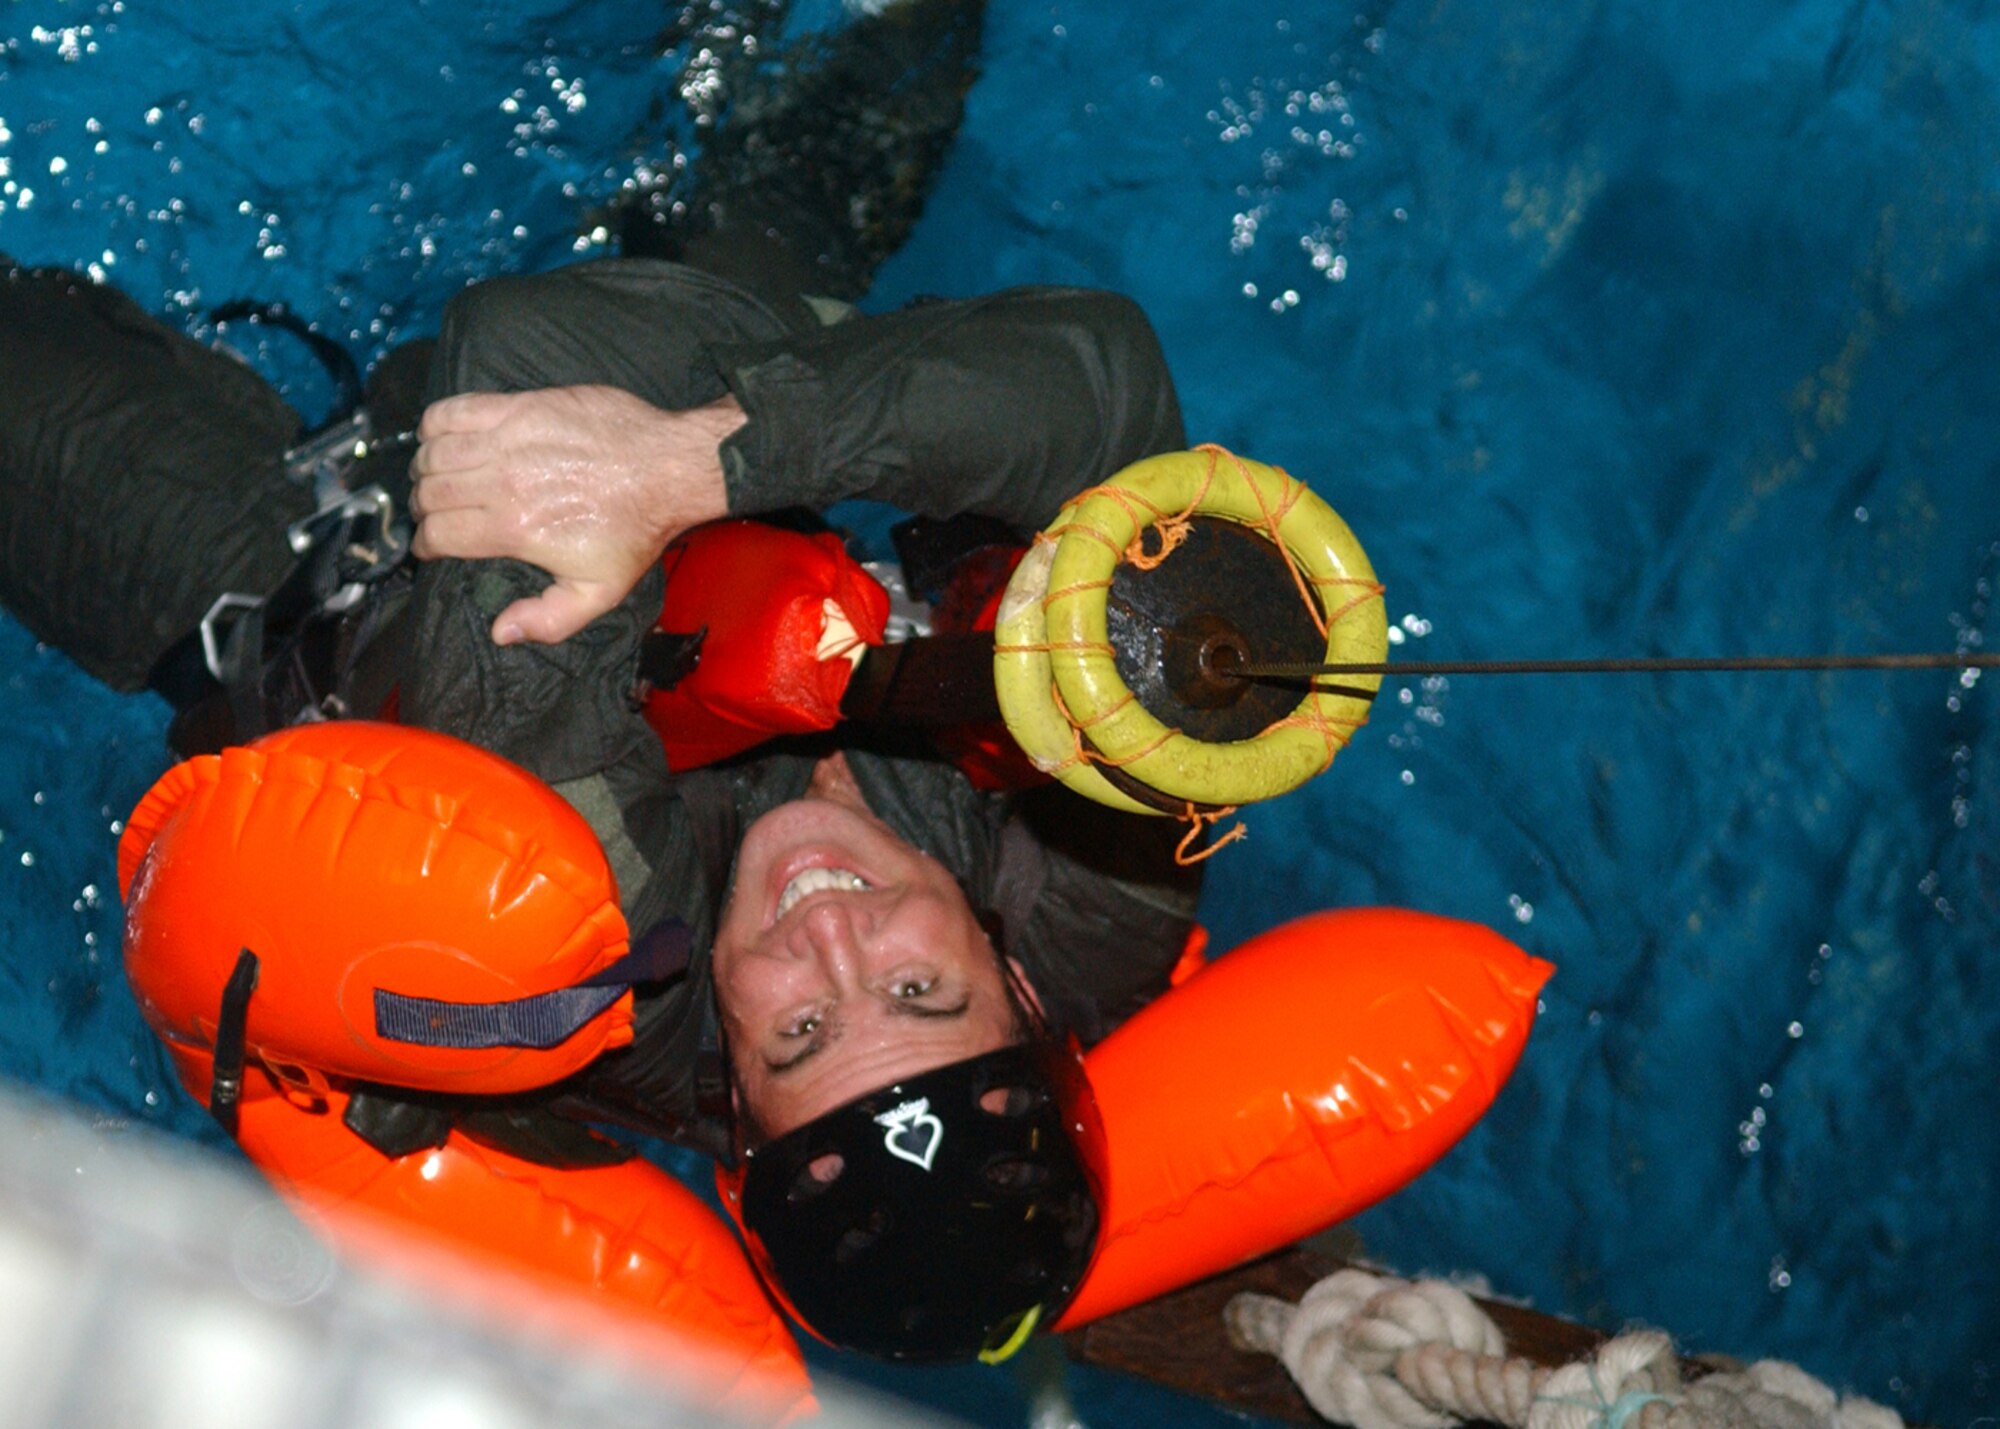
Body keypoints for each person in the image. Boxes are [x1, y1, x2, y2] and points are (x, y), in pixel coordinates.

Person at [1, 0, 1203, 1359]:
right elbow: (1108, 386)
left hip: (286, 589)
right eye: (923, 992)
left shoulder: (596, 949)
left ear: (734, 1094)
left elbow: (530, 353)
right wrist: (717, 465)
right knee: (848, 115)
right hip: (702, 473)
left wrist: (678, 466)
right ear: (1025, 990)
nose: (836, 936)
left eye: (803, 1029)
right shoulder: (1103, 898)